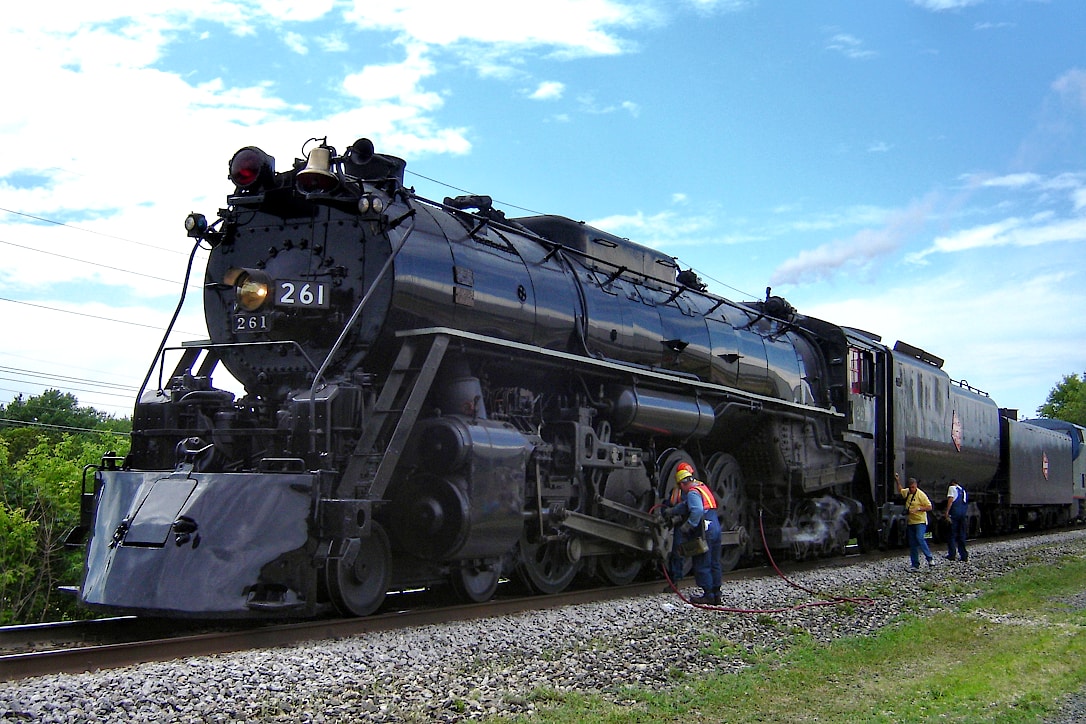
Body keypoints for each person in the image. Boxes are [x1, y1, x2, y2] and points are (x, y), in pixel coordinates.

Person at [664, 464, 722, 604]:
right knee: (714, 562)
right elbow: (686, 505)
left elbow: (697, 510)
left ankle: (708, 594)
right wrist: (672, 511)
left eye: (680, 486)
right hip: (715, 526)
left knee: (702, 561)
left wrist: (688, 526)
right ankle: (716, 593)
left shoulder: (692, 492)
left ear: (683, 483)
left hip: (705, 528)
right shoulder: (701, 487)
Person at [894, 472, 935, 570]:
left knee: (919, 538)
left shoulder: (921, 495)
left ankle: (929, 558)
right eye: (910, 487)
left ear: (916, 486)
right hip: (911, 522)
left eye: (913, 487)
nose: (912, 489)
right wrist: (897, 480)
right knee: (912, 544)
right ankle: (915, 564)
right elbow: (900, 490)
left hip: (920, 521)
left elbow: (930, 507)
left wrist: (918, 509)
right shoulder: (907, 492)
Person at [944, 479, 969, 562]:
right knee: (961, 535)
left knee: (952, 534)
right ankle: (964, 555)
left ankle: (952, 554)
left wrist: (947, 512)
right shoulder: (963, 490)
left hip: (954, 514)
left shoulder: (952, 488)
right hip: (963, 514)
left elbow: (950, 500)